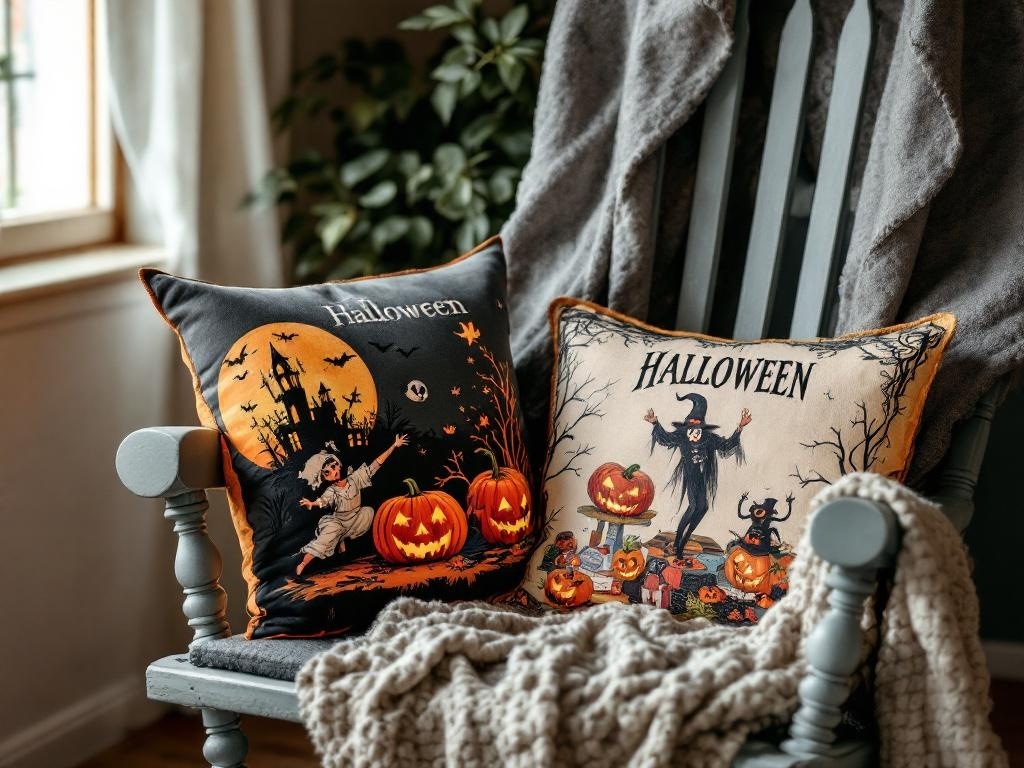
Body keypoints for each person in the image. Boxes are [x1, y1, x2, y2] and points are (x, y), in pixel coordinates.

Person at [645, 393, 750, 557]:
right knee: (694, 506)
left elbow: (726, 445)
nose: (694, 430)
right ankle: (678, 546)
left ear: (702, 426)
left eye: (697, 425)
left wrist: (740, 428)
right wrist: (655, 423)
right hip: (691, 474)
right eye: (691, 424)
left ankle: (682, 542)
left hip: (702, 476)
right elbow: (665, 439)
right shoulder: (681, 435)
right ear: (687, 424)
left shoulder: (708, 437)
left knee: (703, 507)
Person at [295, 434, 408, 575]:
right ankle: (303, 563)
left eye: (333, 466)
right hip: (338, 521)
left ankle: (346, 540)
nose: (333, 472)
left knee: (369, 512)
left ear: (338, 464)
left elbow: (375, 464)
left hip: (356, 518)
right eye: (327, 473)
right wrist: (312, 503)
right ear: (323, 477)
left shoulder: (355, 479)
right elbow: (323, 500)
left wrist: (393, 446)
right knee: (324, 540)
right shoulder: (331, 490)